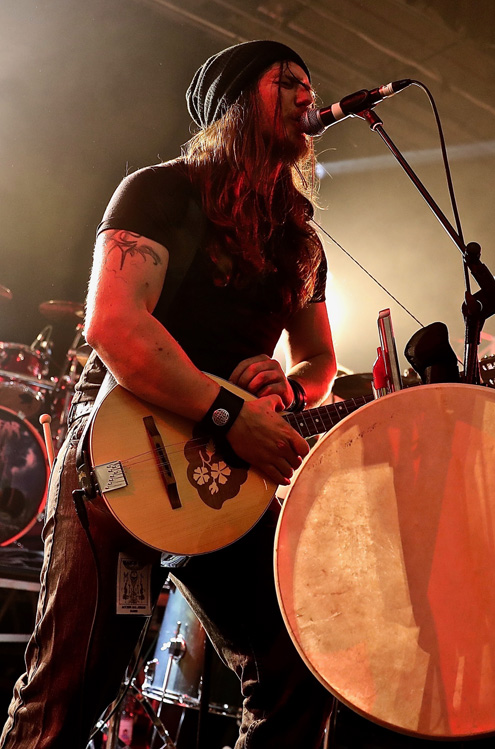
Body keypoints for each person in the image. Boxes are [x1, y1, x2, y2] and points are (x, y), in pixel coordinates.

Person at [0, 40, 338, 747]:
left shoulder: (299, 240)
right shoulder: (160, 192)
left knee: (299, 668)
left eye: (310, 85)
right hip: (123, 444)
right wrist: (229, 410)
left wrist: (290, 390)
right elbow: (114, 325)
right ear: (236, 101)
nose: (308, 96)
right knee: (68, 694)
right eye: (286, 82)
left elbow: (317, 358)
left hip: (225, 475)